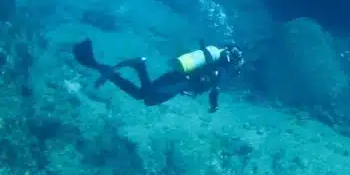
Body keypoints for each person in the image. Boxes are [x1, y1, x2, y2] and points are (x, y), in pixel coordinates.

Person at [72, 38, 244, 112]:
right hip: (177, 84)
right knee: (147, 98)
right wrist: (214, 106)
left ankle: (130, 66)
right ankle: (139, 65)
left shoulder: (214, 63)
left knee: (143, 96)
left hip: (176, 79)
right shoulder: (221, 70)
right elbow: (214, 90)